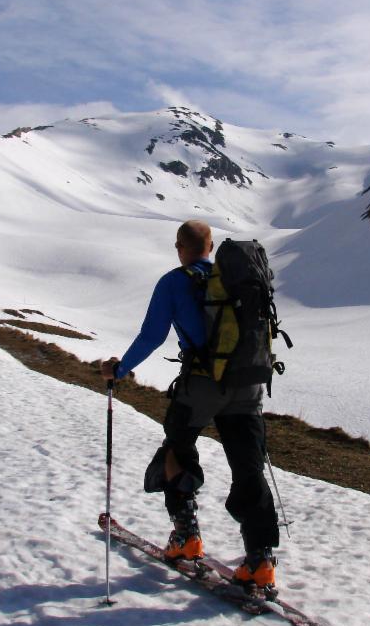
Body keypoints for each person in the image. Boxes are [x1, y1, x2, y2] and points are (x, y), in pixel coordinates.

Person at [100, 219, 281, 594]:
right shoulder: (237, 281)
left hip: (203, 384)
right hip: (247, 385)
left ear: (180, 246)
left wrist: (120, 369)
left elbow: (152, 335)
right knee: (248, 467)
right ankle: (260, 561)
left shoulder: (174, 281)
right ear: (211, 247)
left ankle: (186, 536)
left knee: (176, 449)